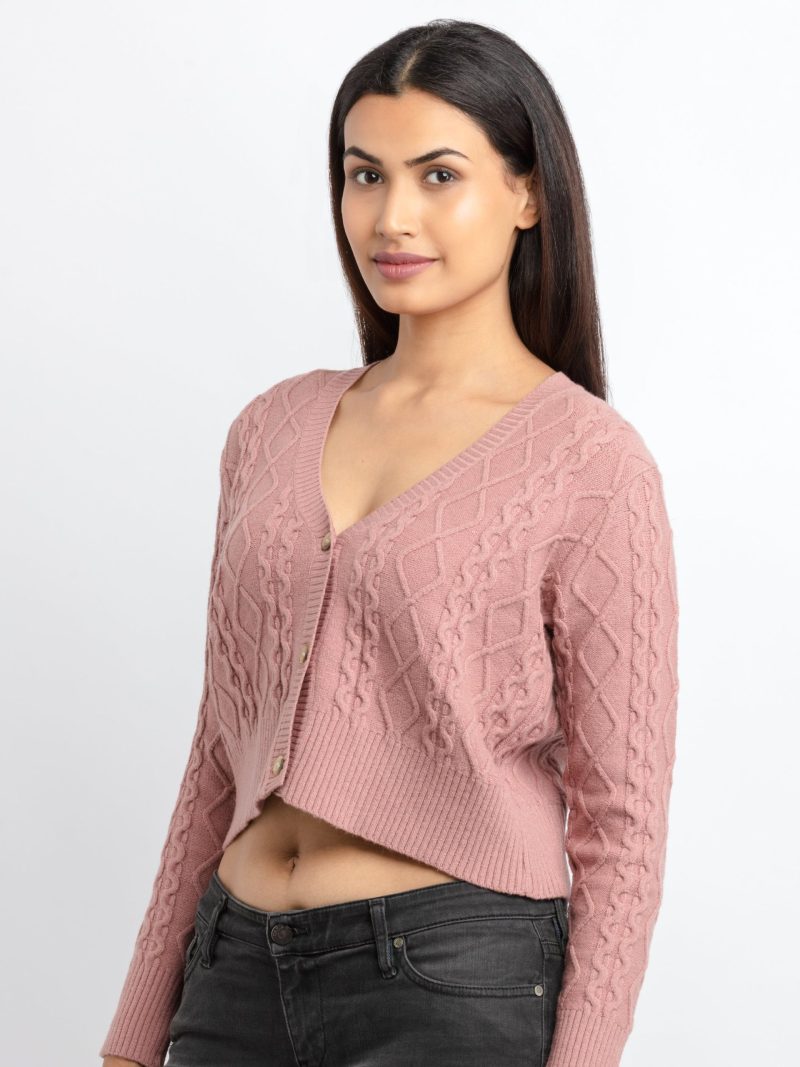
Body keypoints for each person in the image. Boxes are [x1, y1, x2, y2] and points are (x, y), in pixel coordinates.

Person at [100, 18, 679, 1067]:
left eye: (437, 175)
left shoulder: (592, 462)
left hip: (453, 978)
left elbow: (621, 817)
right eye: (364, 174)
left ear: (527, 193)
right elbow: (220, 743)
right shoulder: (270, 427)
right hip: (232, 967)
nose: (390, 215)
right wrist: (137, 1025)